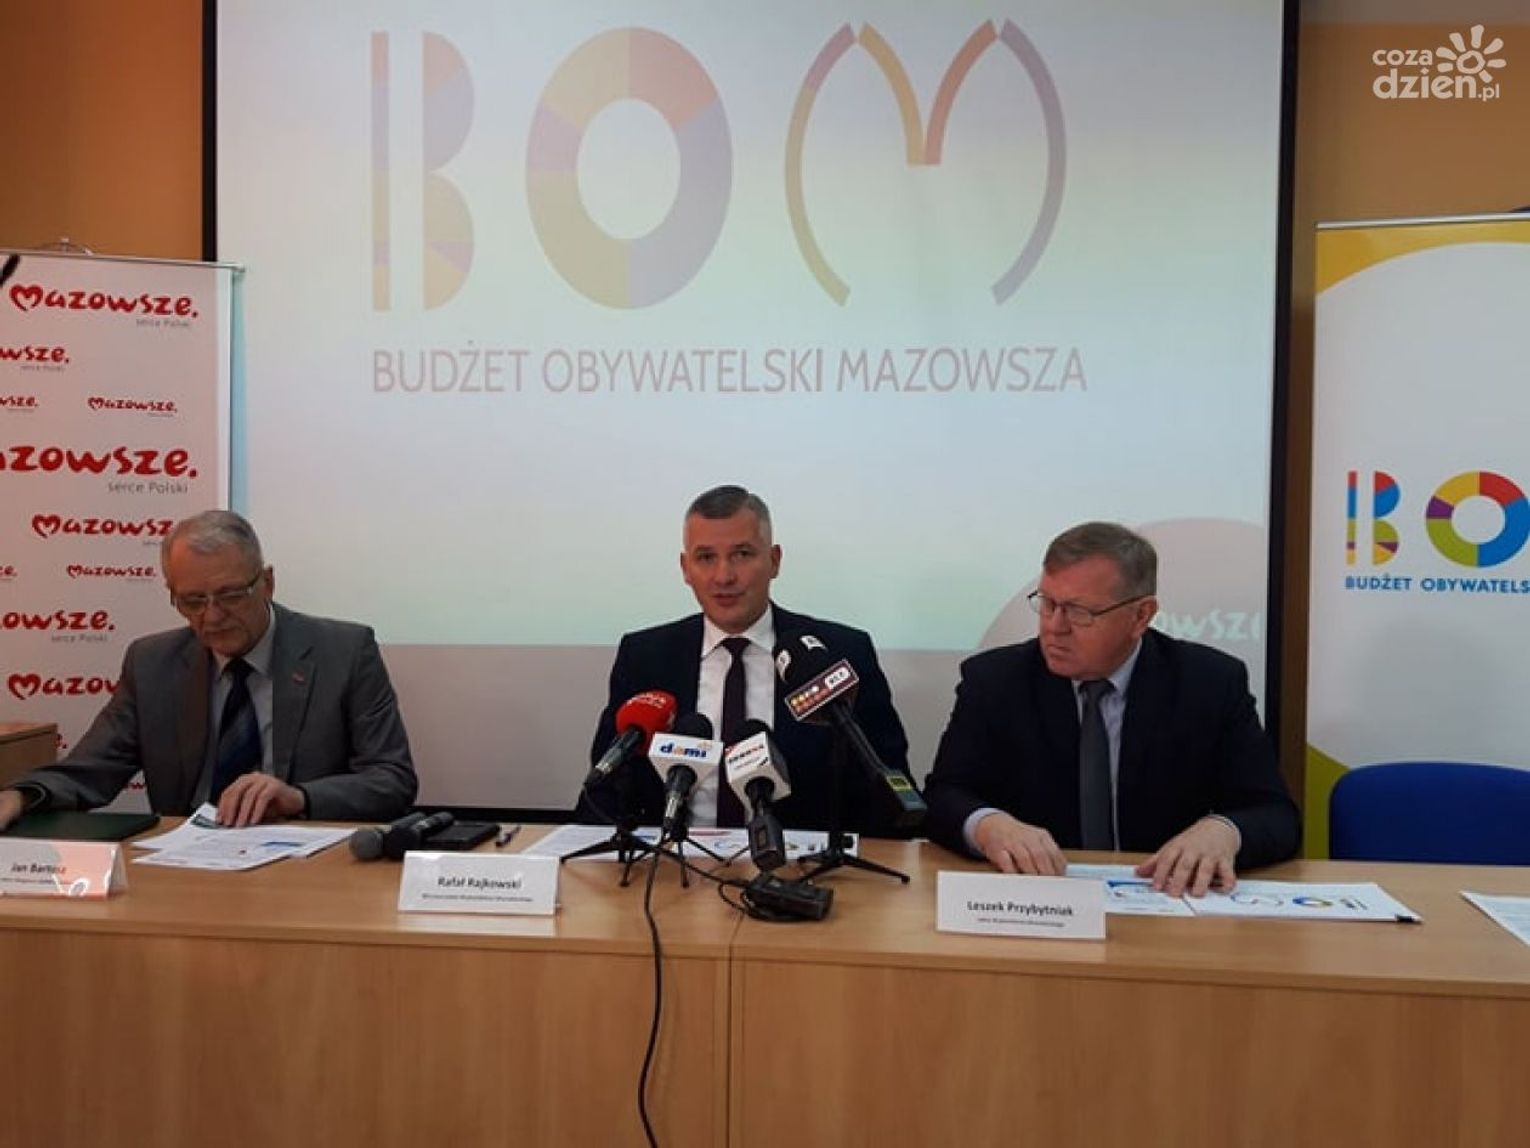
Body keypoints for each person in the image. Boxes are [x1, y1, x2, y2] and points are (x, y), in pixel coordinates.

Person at [924, 521, 1299, 895]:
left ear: (1141, 616)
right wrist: (988, 826)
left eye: (1078, 611)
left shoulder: (1209, 683)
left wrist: (1224, 832)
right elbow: (943, 797)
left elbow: (1275, 815)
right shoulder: (996, 681)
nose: (1054, 627)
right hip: (1038, 901)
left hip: (1162, 899)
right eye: (1048, 604)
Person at [0, 510, 417, 829]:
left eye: (230, 595)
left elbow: (391, 780)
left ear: (267, 583)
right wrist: (22, 796)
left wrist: (299, 797)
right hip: (186, 861)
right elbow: (92, 768)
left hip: (306, 860)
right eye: (193, 601)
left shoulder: (343, 652)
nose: (212, 617)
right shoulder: (152, 663)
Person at [579, 484, 913, 835]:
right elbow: (605, 793)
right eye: (705, 557)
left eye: (741, 554)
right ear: (685, 568)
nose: (724, 576)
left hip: (802, 862)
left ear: (774, 560)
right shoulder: (645, 657)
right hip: (671, 861)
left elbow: (887, 790)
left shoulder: (838, 653)